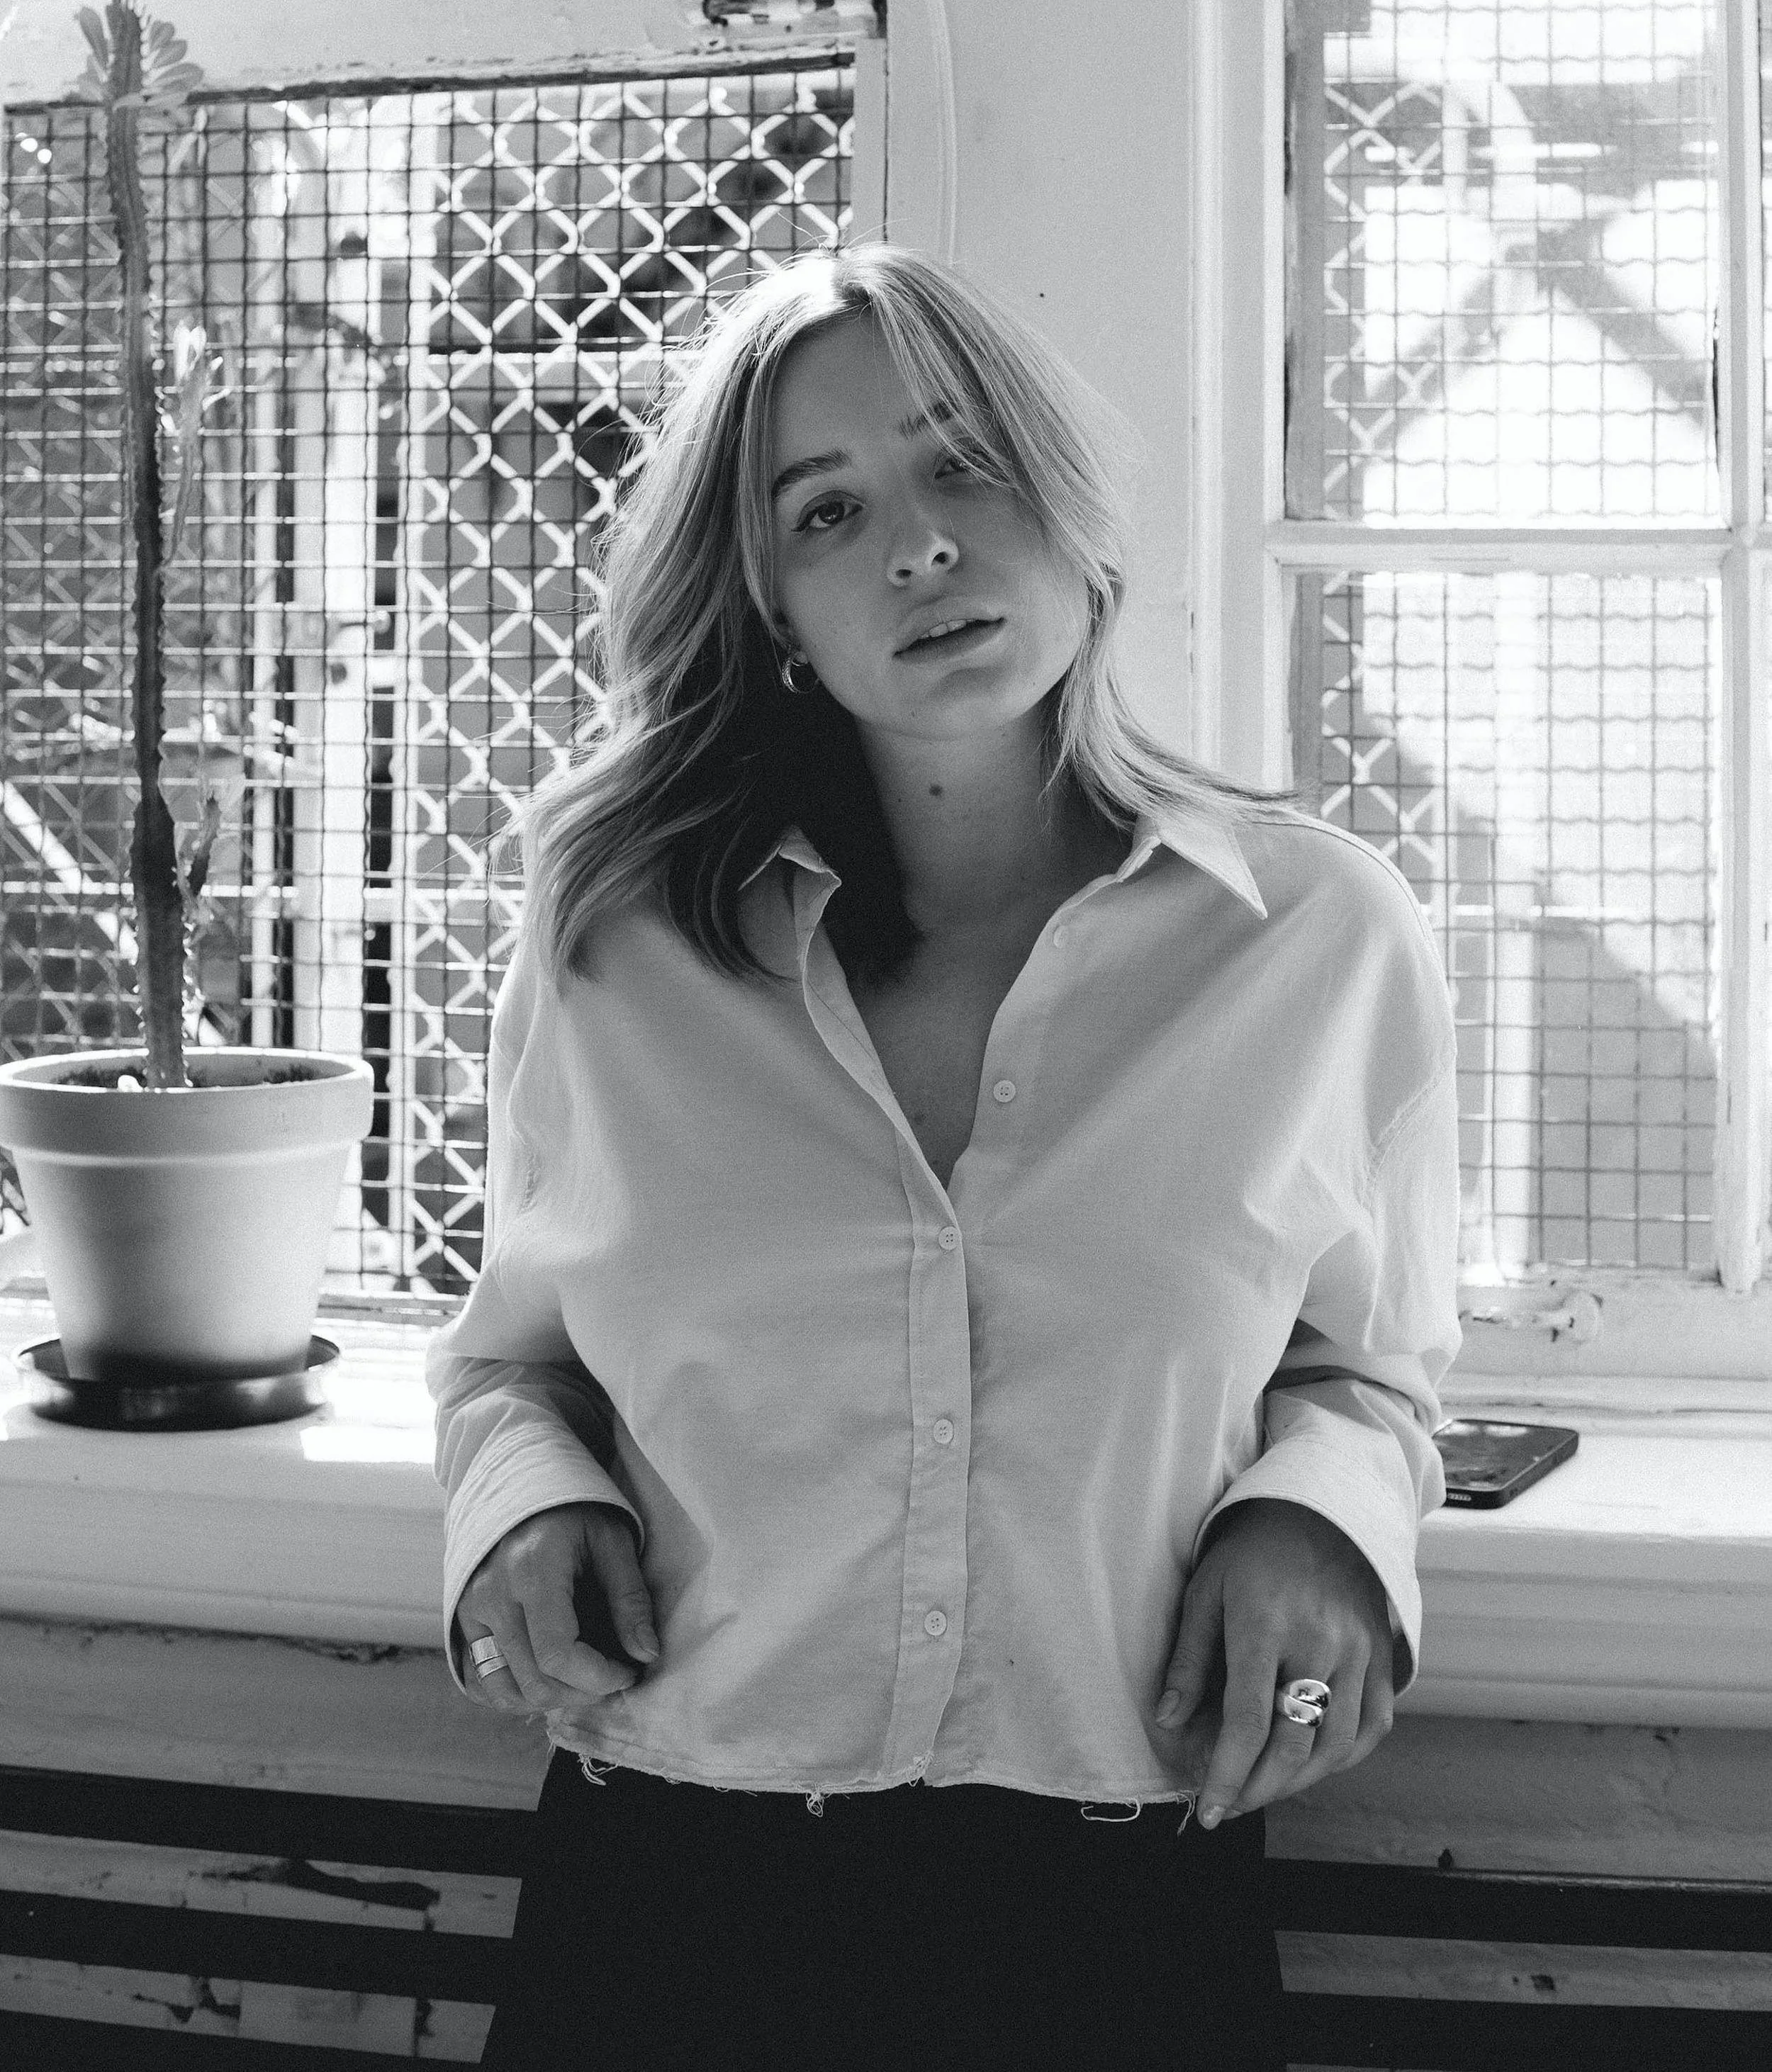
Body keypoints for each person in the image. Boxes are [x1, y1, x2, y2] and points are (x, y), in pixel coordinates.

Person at [426, 239, 1463, 2070]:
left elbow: (1365, 1367)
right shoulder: (613, 946)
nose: (917, 543)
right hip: (672, 1890)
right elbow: (510, 1360)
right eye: (827, 511)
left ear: (1074, 510)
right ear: (770, 610)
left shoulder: (1321, 937)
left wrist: (1319, 1519)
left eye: (960, 462)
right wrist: (523, 1509)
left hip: (1116, 1904)